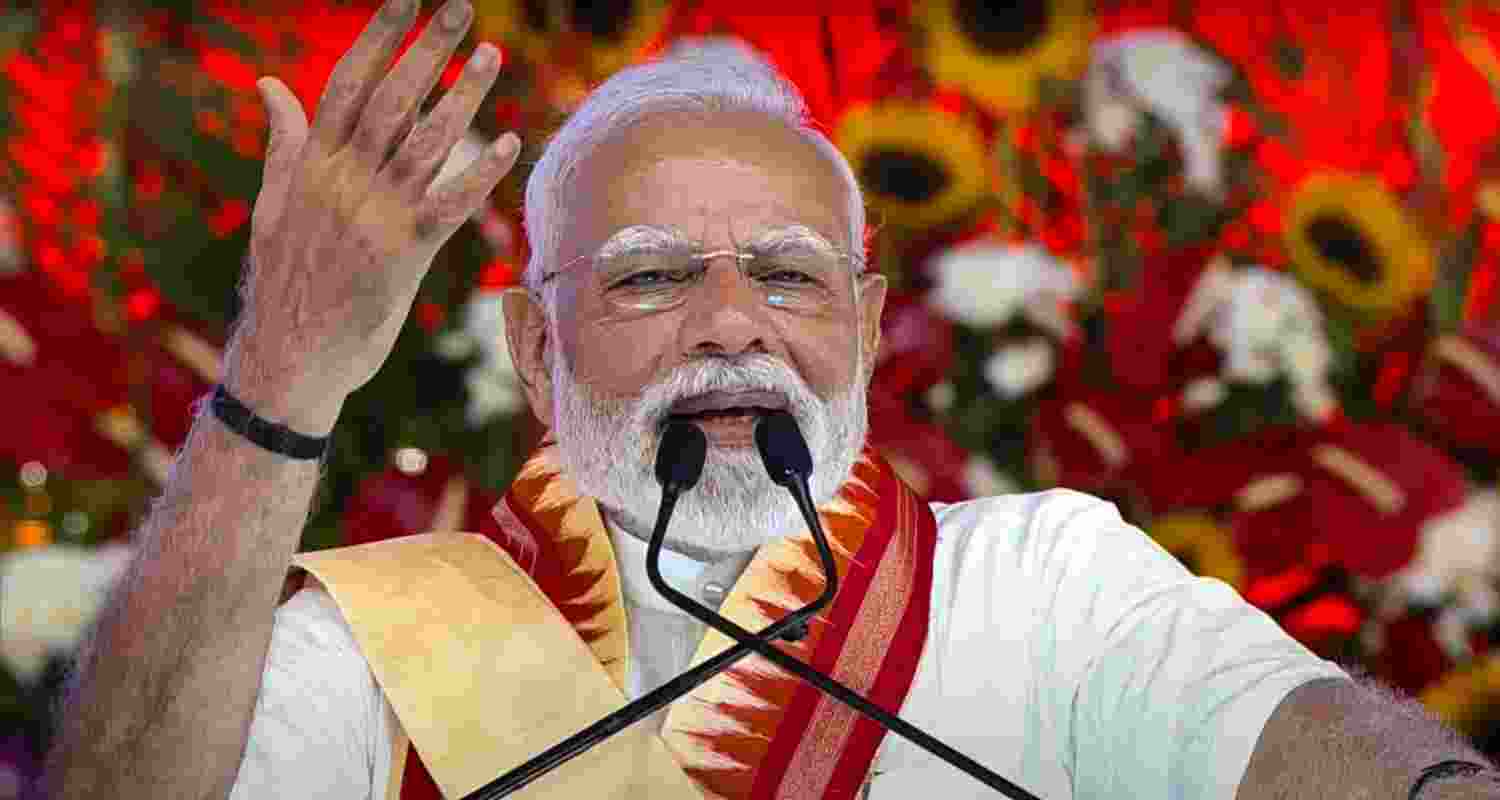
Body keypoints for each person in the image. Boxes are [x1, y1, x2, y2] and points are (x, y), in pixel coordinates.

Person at [39, 1, 1500, 798]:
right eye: (653, 277)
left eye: (790, 278)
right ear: (534, 353)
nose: (733, 324)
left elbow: (1296, 737)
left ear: (867, 328)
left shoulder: (1045, 581)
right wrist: (280, 375)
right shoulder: (366, 648)